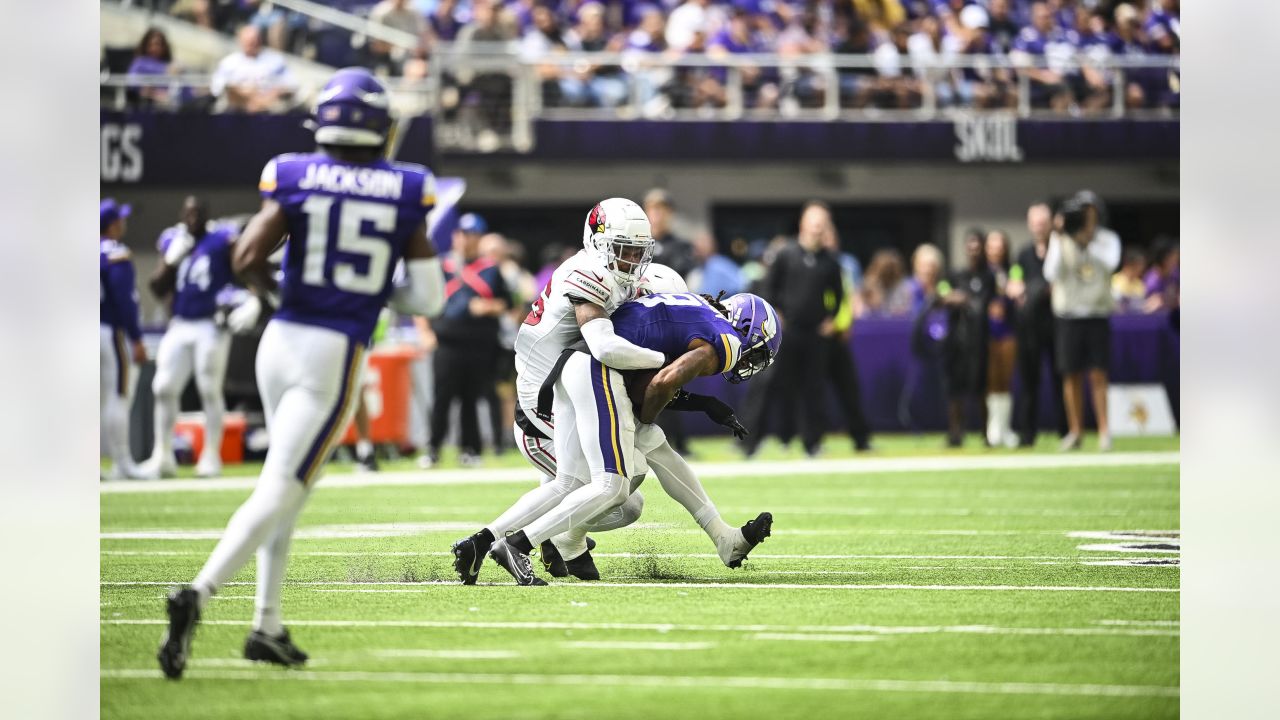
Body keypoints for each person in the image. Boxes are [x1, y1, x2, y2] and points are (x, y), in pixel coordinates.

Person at [156, 68, 447, 680]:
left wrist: (284, 290)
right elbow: (426, 298)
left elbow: (245, 256)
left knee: (285, 486)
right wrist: (369, 288)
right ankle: (198, 593)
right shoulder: (404, 187)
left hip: (279, 340)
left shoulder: (293, 172)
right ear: (378, 128)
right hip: (333, 350)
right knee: (282, 487)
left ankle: (267, 625)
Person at [479, 290, 781, 585]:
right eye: (758, 350)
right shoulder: (725, 339)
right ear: (747, 327)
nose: (751, 359)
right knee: (616, 483)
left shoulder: (697, 305)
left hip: (576, 365)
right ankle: (524, 542)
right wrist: (645, 418)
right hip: (598, 370)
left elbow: (653, 368)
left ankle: (722, 537)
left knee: (647, 450)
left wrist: (694, 406)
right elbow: (662, 381)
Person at [449, 197, 666, 584]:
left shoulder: (608, 272)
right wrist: (663, 359)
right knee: (616, 483)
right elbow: (602, 346)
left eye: (638, 251)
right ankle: (544, 541)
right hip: (545, 392)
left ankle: (479, 543)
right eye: (623, 249)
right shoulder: (588, 273)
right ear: (598, 242)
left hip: (562, 383)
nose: (632, 259)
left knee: (571, 483)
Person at [140, 197, 239, 479]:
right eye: (189, 213)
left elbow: (241, 267)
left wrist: (236, 299)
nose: (193, 217)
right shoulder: (172, 239)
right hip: (180, 323)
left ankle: (211, 455)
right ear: (182, 214)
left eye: (198, 213)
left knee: (209, 389)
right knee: (163, 387)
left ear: (207, 215)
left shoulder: (222, 238)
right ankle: (163, 456)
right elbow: (157, 289)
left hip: (211, 324)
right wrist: (171, 262)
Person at [742, 201, 844, 458]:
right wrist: (776, 316)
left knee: (813, 388)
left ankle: (813, 443)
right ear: (803, 224)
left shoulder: (831, 262)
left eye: (822, 223)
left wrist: (831, 319)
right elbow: (767, 289)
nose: (818, 228)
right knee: (766, 383)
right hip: (783, 333)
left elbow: (838, 295)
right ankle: (750, 442)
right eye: (814, 222)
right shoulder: (785, 254)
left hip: (814, 335)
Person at [416, 213, 512, 468]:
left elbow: (508, 303)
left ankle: (470, 448)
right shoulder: (442, 266)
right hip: (446, 341)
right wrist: (425, 331)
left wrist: (489, 307)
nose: (465, 239)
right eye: (461, 234)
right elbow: (422, 301)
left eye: (471, 235)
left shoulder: (490, 269)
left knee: (471, 398)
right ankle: (433, 448)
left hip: (480, 343)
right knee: (442, 397)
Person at [1044, 193, 1121, 452]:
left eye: (1089, 212)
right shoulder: (1062, 238)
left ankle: (1104, 431)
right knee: (1071, 375)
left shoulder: (1107, 239)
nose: (1086, 218)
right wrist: (1059, 235)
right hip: (1069, 315)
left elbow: (1111, 263)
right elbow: (1051, 272)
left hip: (1097, 313)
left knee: (1098, 373)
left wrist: (1087, 241)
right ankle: (1075, 431)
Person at [1009, 202, 1066, 447]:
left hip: (1056, 324)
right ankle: (1027, 434)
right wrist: (1018, 289)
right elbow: (1014, 281)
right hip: (1029, 327)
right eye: (1035, 223)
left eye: (1043, 222)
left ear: (1050, 223)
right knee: (1029, 382)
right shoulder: (1023, 253)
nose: (1039, 227)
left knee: (1059, 379)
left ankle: (1067, 432)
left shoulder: (1062, 250)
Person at [100, 199, 149, 480]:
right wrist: (136, 337)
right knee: (118, 396)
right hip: (108, 331)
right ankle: (123, 462)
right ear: (113, 224)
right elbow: (124, 300)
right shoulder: (116, 254)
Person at [820, 209, 872, 451]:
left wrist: (845, 324)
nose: (828, 241)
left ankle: (861, 438)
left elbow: (851, 297)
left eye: (832, 236)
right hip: (820, 336)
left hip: (840, 335)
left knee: (849, 390)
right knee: (814, 391)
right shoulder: (815, 266)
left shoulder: (847, 264)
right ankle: (814, 442)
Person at [211, 25, 298, 113]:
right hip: (237, 107)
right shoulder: (229, 62)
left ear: (260, 41)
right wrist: (243, 92)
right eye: (248, 42)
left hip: (268, 106)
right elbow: (217, 87)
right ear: (240, 41)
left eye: (254, 41)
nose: (252, 45)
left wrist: (271, 94)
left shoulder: (275, 61)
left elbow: (291, 85)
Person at [984, 230, 1017, 447]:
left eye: (1000, 246)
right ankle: (993, 426)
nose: (996, 250)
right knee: (991, 380)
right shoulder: (980, 272)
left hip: (1008, 330)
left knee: (1005, 379)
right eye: (992, 246)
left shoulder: (1013, 270)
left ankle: (1005, 427)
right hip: (988, 331)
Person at [1112, 247, 1148, 313]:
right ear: (1128, 264)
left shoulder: (1140, 284)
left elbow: (1141, 307)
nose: (1141, 268)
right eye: (1139, 265)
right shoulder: (1114, 281)